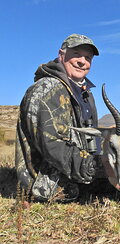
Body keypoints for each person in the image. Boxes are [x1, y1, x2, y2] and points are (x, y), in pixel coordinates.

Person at [15, 34, 105, 202]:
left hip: (80, 172)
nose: (82, 61)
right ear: (61, 54)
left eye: (88, 58)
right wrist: (93, 168)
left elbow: (92, 136)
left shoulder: (85, 93)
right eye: (76, 54)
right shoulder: (46, 89)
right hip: (47, 182)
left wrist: (101, 160)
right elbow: (51, 144)